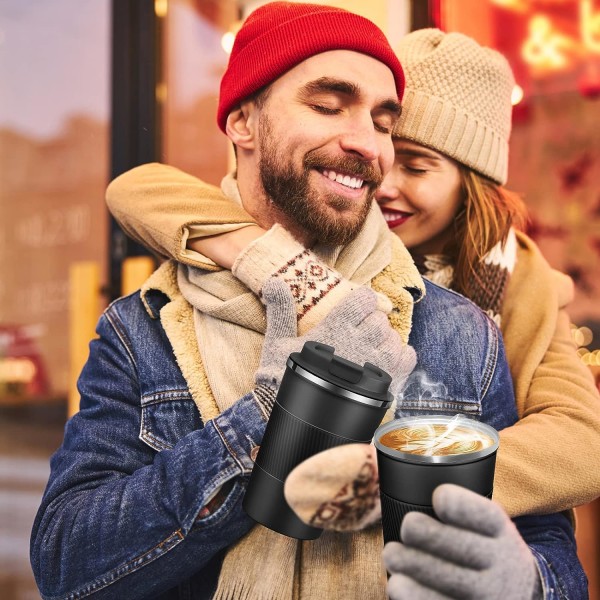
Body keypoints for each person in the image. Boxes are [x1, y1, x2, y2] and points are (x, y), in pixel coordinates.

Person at [31, 5, 587, 600]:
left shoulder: (462, 325)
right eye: (326, 106)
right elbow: (69, 565)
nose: (370, 148)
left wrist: (526, 581)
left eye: (383, 123)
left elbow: (562, 513)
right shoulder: (144, 326)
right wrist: (273, 412)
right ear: (242, 122)